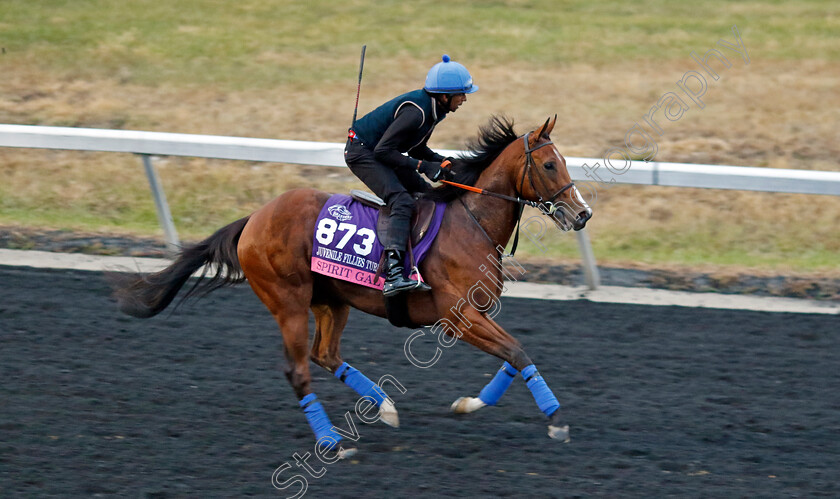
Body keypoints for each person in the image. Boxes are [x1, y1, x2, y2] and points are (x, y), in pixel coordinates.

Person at [344, 54, 478, 297]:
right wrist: (423, 166)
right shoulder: (417, 112)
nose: (465, 99)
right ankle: (393, 274)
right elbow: (384, 151)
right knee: (402, 200)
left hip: (380, 151)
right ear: (445, 95)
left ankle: (424, 261)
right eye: (461, 94)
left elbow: (416, 148)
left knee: (428, 195)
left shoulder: (436, 110)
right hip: (362, 152)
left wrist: (444, 163)